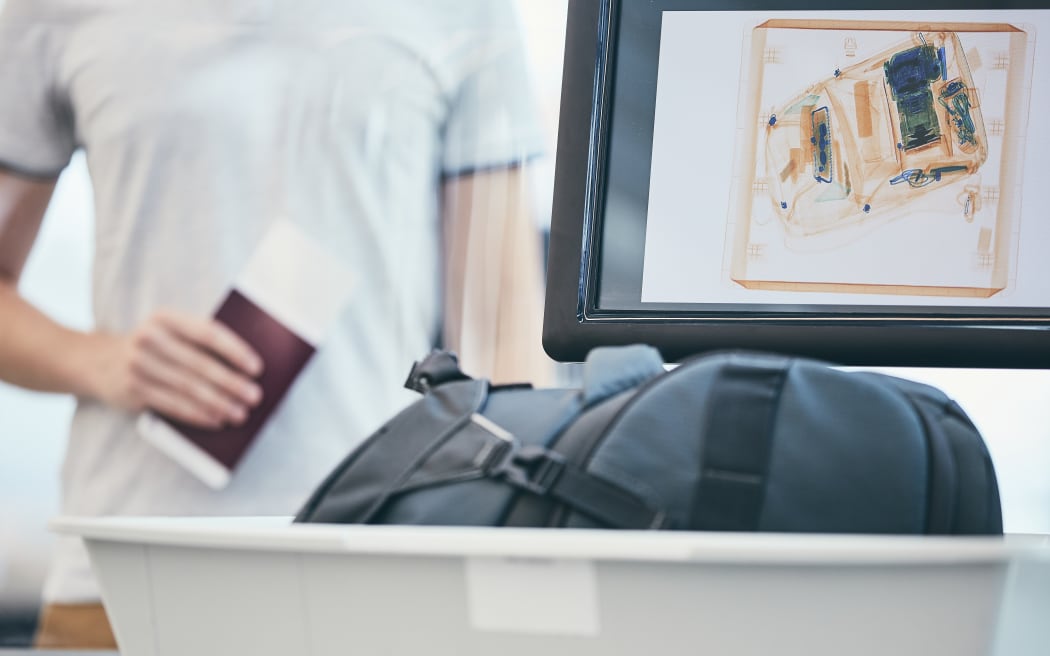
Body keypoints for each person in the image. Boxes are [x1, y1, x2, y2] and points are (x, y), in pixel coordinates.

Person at [0, 0, 550, 648]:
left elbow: (504, 335)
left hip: (377, 575)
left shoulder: (465, 11)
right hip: (125, 578)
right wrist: (102, 361)